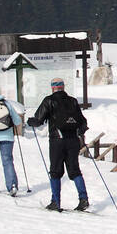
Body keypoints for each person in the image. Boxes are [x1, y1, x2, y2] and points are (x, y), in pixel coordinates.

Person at [27, 77, 90, 211]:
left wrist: (31, 122)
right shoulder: (72, 101)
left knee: (55, 171)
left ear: (53, 88)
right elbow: (82, 122)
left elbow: (39, 120)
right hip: (73, 140)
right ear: (63, 87)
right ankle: (83, 198)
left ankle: (55, 201)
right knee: (74, 170)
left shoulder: (49, 100)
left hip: (57, 140)